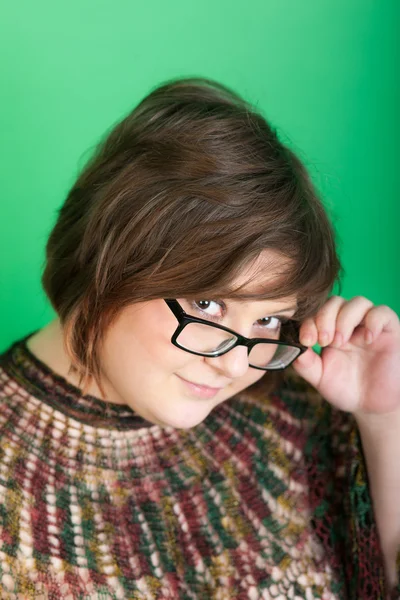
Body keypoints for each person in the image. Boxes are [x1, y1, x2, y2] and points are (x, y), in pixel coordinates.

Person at [0, 76, 399, 600]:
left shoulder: (296, 415)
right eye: (207, 304)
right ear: (110, 258)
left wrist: (383, 418)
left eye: (268, 321)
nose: (236, 367)